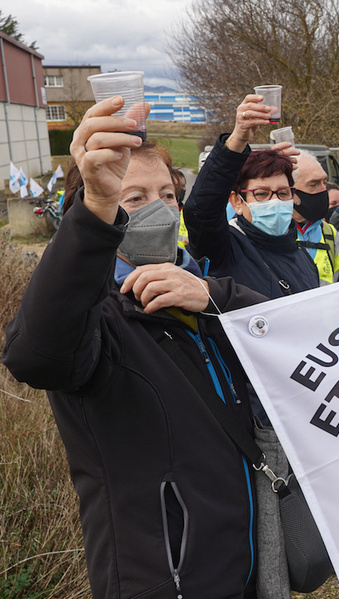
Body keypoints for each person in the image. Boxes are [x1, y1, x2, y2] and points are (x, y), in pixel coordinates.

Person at [3, 97, 266, 598]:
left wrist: (216, 298)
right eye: (135, 198)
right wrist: (97, 209)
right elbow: (35, 357)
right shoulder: (95, 312)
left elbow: (285, 334)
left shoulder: (203, 291)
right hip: (164, 578)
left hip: (246, 565)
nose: (160, 209)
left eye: (168, 195)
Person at [184, 94, 321, 298]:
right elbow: (201, 209)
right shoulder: (227, 250)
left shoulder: (302, 255)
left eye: (283, 193)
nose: (274, 201)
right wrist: (237, 139)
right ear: (237, 201)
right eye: (261, 194)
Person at [291, 151, 339, 282]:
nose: (323, 190)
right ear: (289, 191)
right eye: (313, 184)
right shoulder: (270, 233)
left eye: (324, 182)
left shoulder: (330, 234)